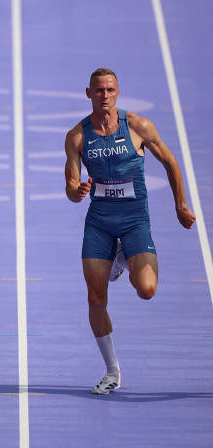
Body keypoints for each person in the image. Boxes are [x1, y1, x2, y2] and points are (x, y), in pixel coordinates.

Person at [64, 68, 196, 394]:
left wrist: (180, 204)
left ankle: (121, 259)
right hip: (99, 223)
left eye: (110, 90)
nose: (104, 95)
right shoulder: (77, 137)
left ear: (117, 92)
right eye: (98, 91)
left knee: (147, 289)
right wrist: (76, 191)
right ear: (88, 93)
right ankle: (112, 372)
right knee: (96, 298)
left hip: (135, 220)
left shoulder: (138, 126)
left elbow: (171, 162)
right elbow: (69, 183)